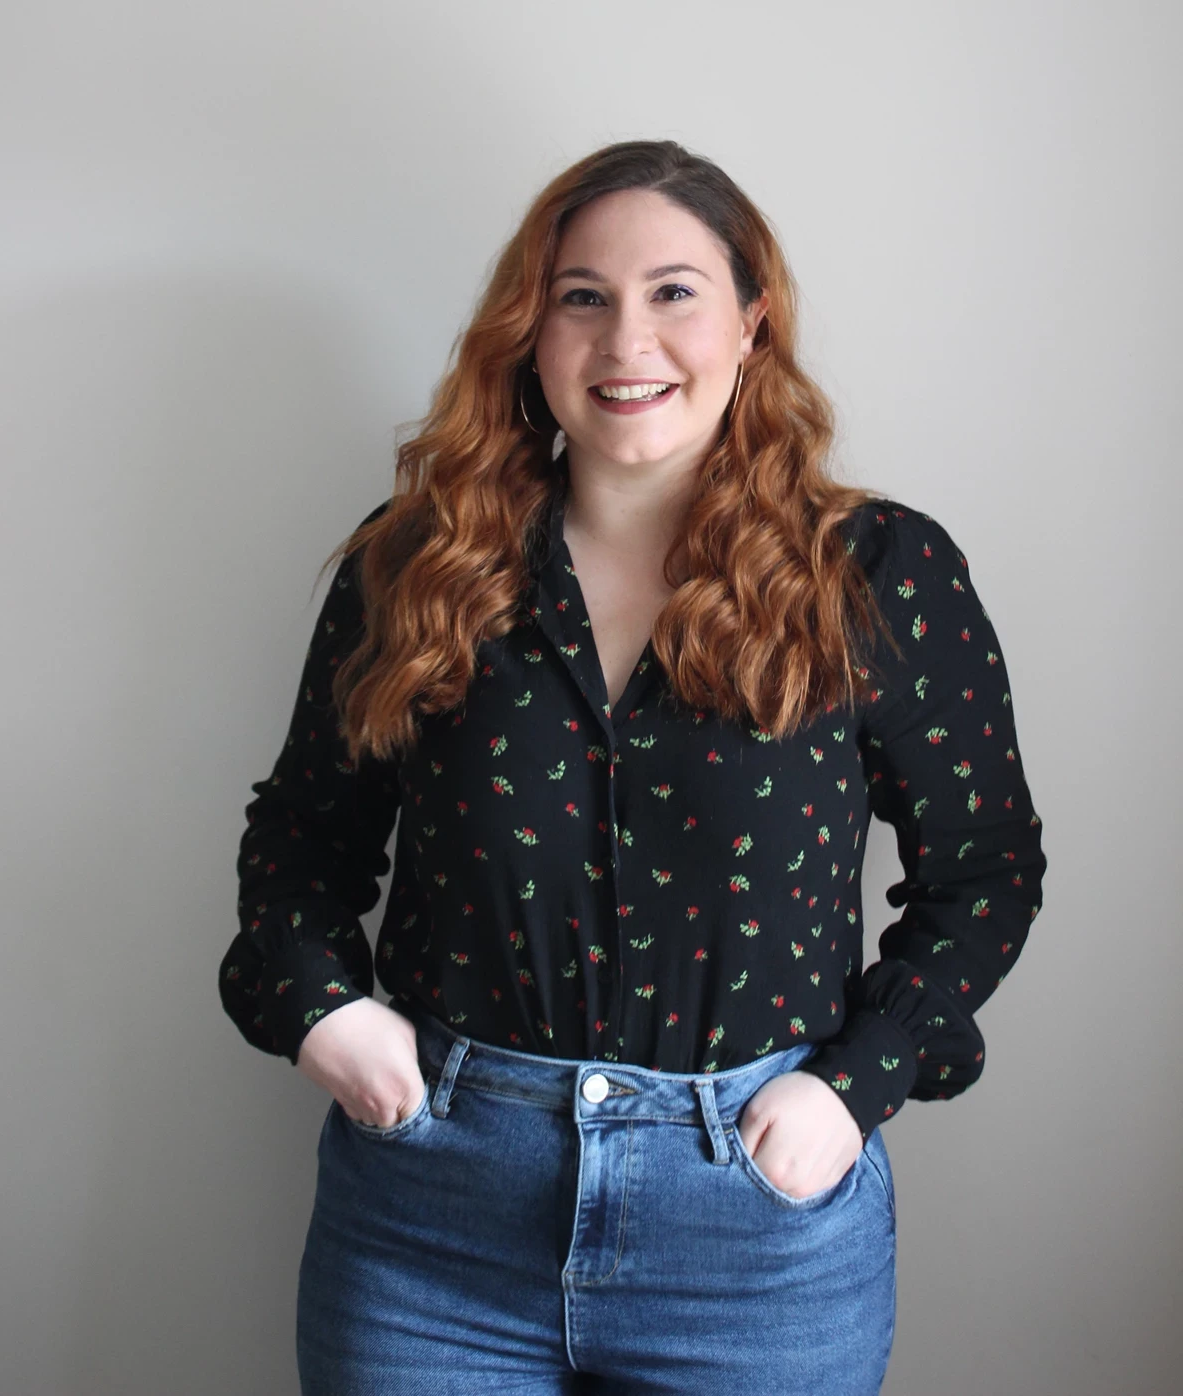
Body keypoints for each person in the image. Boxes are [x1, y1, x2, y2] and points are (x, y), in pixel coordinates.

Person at [219, 139, 1046, 1395]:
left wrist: (850, 1090)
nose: (627, 343)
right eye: (582, 297)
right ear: (529, 330)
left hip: (756, 1235)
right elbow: (302, 836)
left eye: (674, 293)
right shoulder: (415, 566)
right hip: (430, 1228)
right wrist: (325, 1015)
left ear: (751, 324)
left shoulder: (876, 574)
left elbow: (984, 872)